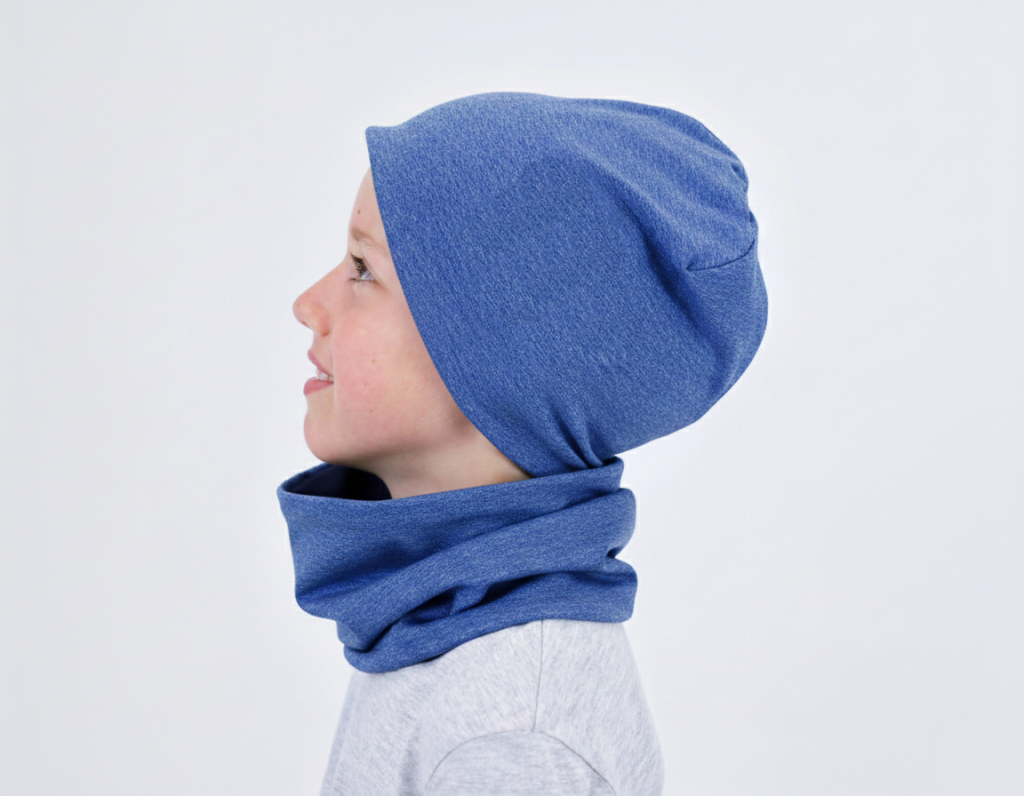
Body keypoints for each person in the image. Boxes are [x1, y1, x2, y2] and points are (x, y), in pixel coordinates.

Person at [278, 92, 768, 796]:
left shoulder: (513, 739)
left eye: (363, 269)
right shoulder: (432, 616)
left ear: (493, 364)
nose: (308, 303)